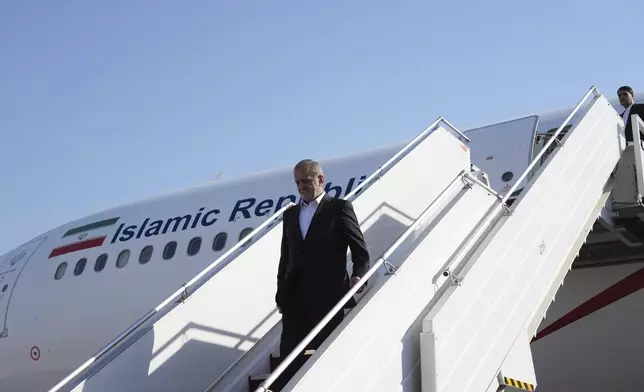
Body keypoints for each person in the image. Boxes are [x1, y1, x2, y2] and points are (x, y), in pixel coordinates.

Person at [275, 159, 370, 361]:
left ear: (320, 179)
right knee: (288, 360)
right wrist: (280, 291)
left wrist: (359, 275)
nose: (301, 187)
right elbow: (285, 257)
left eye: (306, 181)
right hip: (294, 298)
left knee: (328, 358)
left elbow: (359, 249)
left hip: (328, 297)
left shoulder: (339, 208)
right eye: (298, 183)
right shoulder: (290, 215)